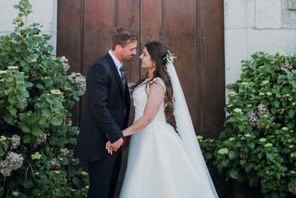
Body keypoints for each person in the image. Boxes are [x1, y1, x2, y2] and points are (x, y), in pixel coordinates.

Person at [108, 41, 218, 198]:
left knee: (154, 181)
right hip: (142, 136)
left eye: (144, 54)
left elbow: (147, 119)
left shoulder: (157, 84)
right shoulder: (146, 82)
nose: (140, 56)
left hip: (154, 138)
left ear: (155, 60)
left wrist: (121, 134)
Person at [75, 28, 138, 198]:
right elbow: (98, 106)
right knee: (99, 192)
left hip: (114, 143)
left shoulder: (118, 68)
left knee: (109, 191)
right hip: (101, 143)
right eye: (131, 49)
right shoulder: (100, 68)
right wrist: (116, 135)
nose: (135, 53)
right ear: (118, 47)